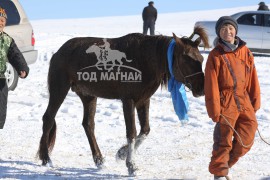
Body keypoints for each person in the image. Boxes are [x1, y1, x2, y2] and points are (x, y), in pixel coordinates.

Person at [204, 16, 261, 179]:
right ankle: (219, 174)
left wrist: (255, 101)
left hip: (244, 100)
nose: (227, 31)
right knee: (224, 140)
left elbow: (253, 78)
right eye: (223, 29)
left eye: (230, 28)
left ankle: (223, 166)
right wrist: (215, 109)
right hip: (225, 101)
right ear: (219, 33)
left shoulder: (246, 51)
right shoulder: (215, 55)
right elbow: (211, 85)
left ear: (235, 30)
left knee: (247, 137)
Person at [0, 6, 29, 129]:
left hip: (1, 80)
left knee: (1, 109)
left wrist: (22, 68)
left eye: (2, 21)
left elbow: (15, 55)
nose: (0, 23)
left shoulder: (7, 40)